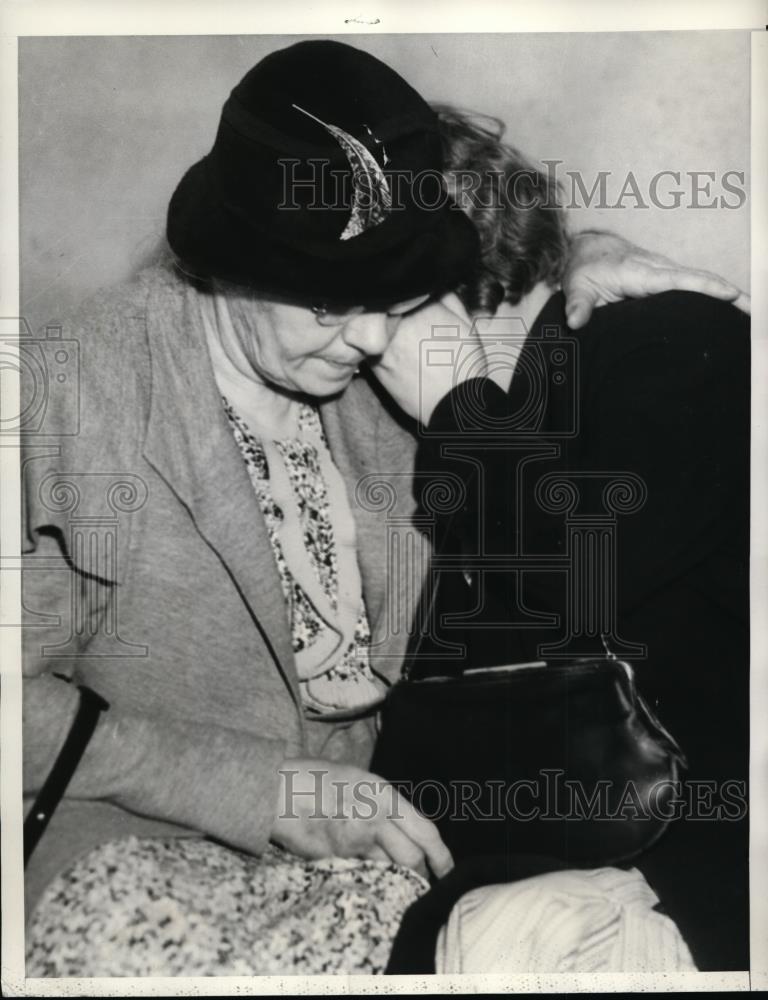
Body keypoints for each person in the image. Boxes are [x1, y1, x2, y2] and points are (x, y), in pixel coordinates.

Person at [20, 40, 744, 976]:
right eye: (330, 303)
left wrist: (581, 277)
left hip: (394, 892)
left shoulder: (370, 374)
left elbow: (519, 464)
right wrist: (253, 787)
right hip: (144, 887)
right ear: (231, 259)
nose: (367, 338)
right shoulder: (72, 391)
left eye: (392, 303)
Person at [372, 105, 749, 972]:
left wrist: (453, 404)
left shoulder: (672, 339)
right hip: (581, 876)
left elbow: (581, 567)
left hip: (703, 900)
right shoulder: (519, 409)